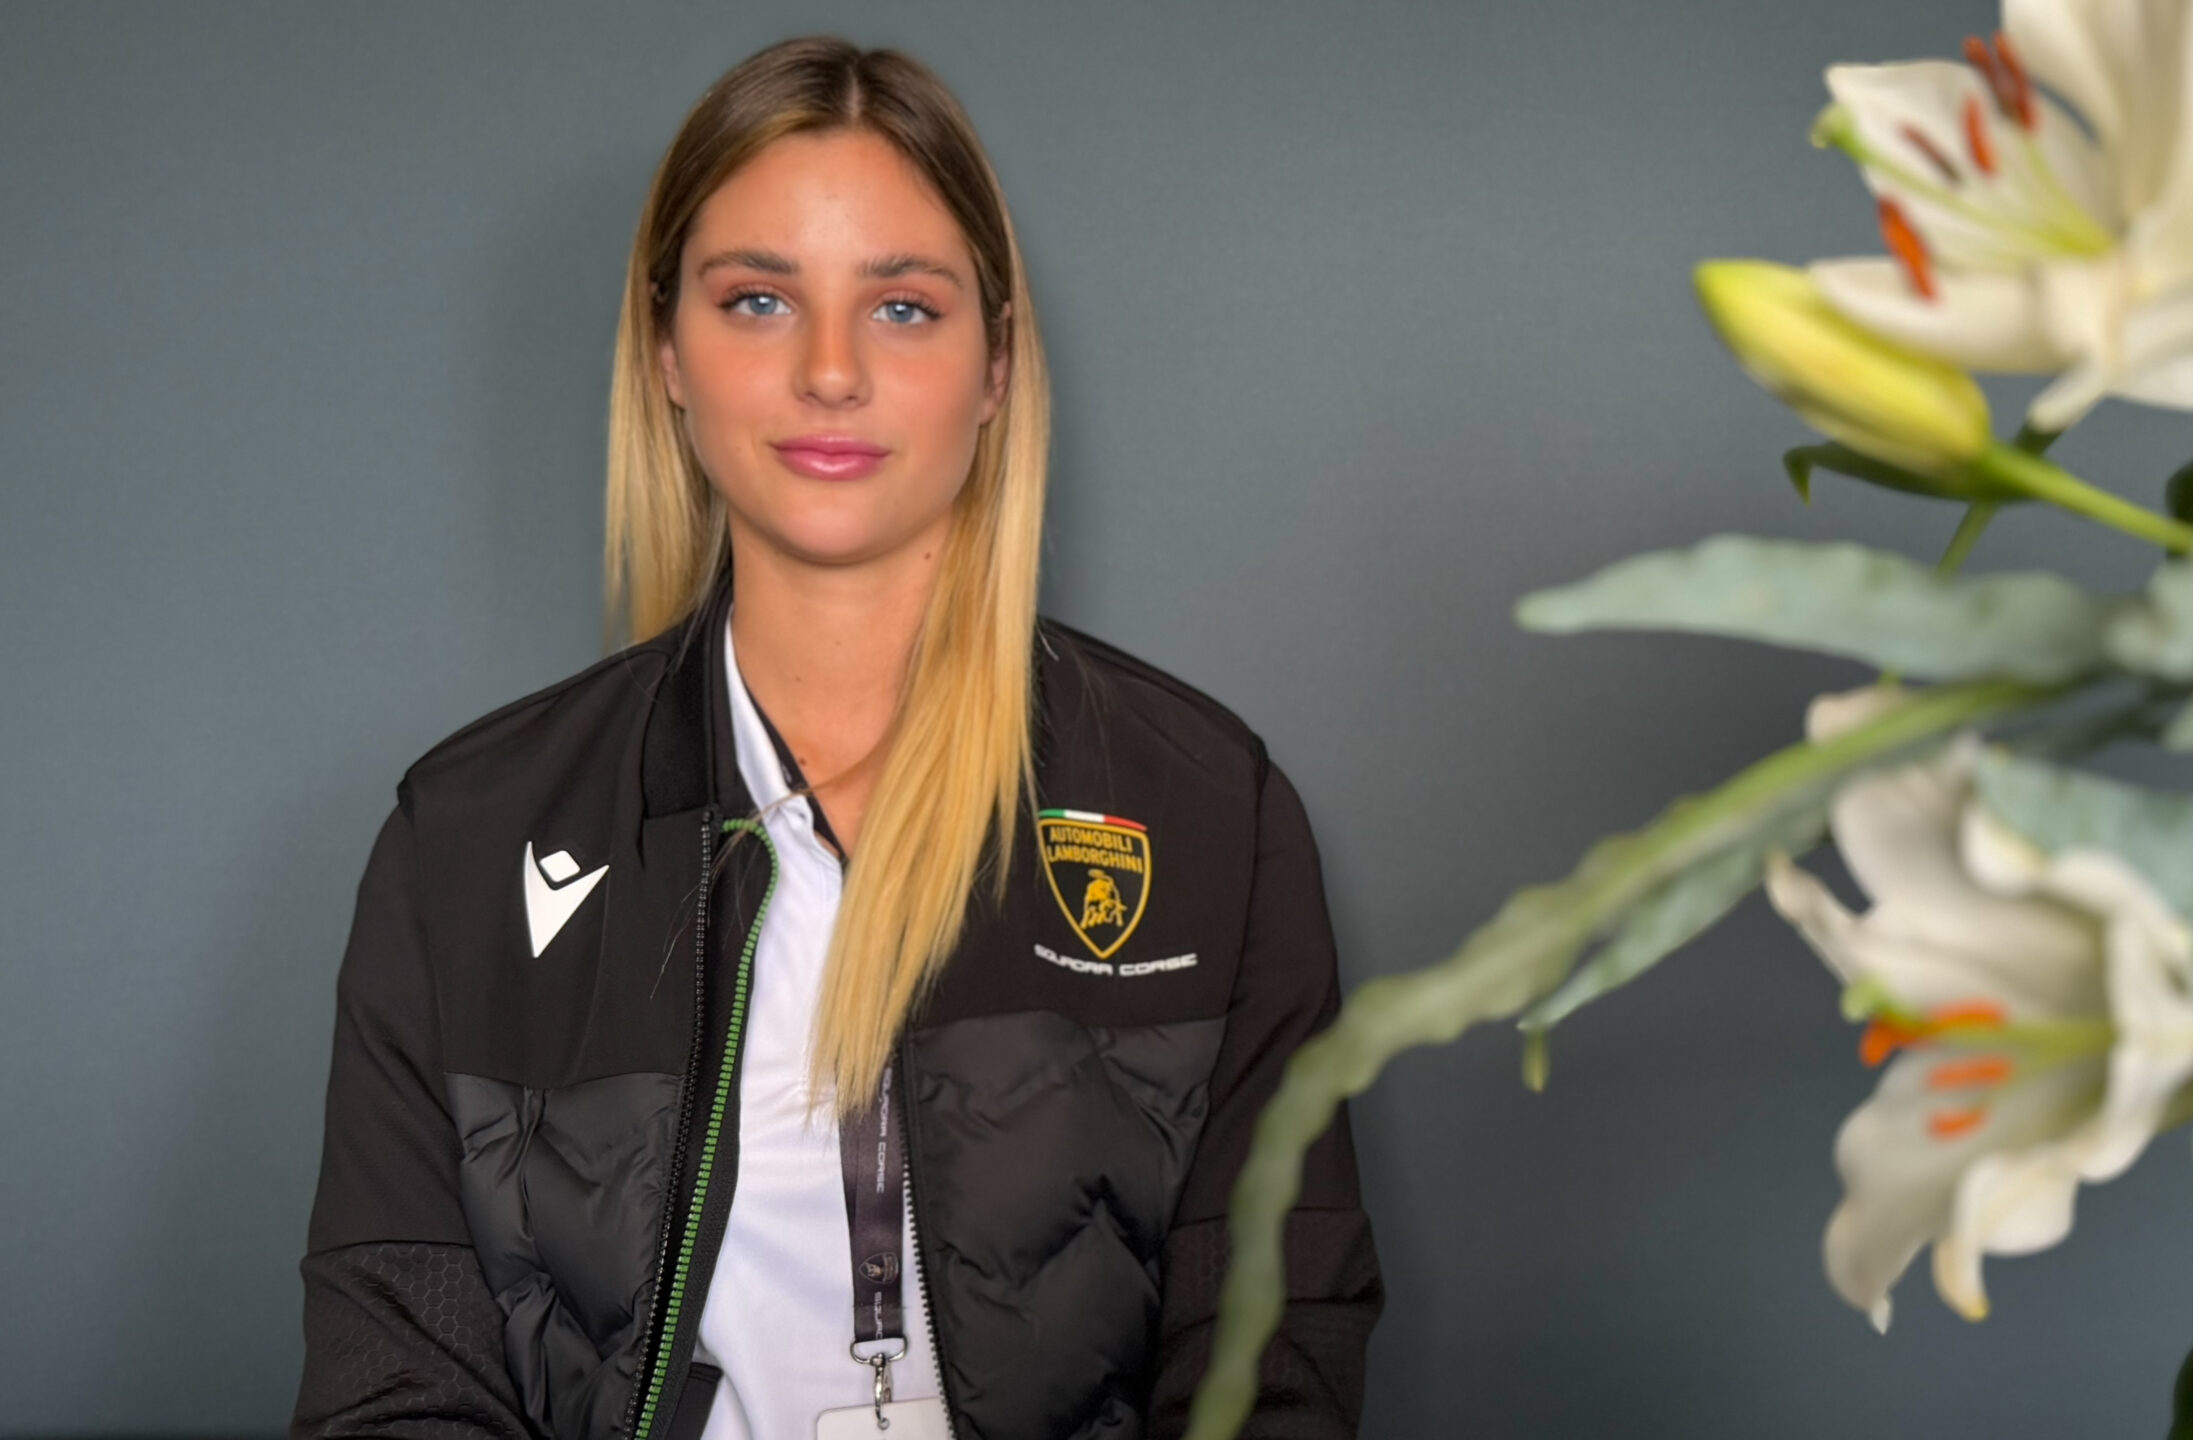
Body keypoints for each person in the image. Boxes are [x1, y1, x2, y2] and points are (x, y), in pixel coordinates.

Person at [290, 36, 1382, 1440]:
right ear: (666, 351)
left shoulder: (1210, 814)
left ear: (995, 365)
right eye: (757, 300)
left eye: (903, 308)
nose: (828, 371)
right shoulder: (464, 842)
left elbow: (1273, 1353)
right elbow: (395, 1375)